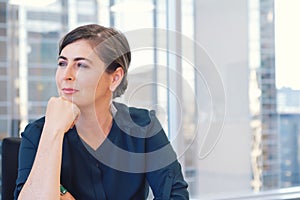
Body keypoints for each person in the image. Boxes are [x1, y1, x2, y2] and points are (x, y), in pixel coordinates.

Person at [14, 24, 189, 200]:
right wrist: (54, 131)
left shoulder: (143, 126)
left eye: (81, 65)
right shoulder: (38, 133)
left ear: (115, 78)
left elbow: (176, 195)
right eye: (62, 63)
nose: (66, 75)